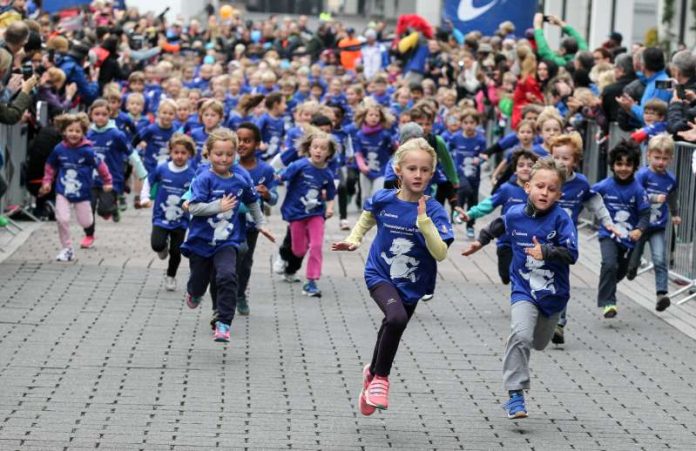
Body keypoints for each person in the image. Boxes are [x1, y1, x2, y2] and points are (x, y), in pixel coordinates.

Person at [332, 137, 453, 414]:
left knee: (393, 327)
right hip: (380, 273)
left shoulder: (434, 210)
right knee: (395, 318)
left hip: (413, 283)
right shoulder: (383, 200)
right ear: (399, 170)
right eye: (412, 168)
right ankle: (381, 380)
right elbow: (366, 220)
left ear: (432, 173)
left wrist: (424, 223)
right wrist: (353, 240)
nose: (418, 175)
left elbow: (440, 253)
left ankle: (372, 374)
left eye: (424, 170)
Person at [462, 158, 578, 419]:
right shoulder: (515, 214)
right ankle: (515, 395)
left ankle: (521, 336)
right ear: (527, 187)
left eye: (551, 189)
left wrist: (545, 251)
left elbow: (572, 253)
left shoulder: (562, 219)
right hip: (524, 289)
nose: (544, 193)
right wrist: (479, 243)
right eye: (540, 186)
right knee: (522, 335)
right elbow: (497, 225)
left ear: (559, 194)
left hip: (553, 294)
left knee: (537, 343)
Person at [181, 128, 274, 343]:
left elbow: (252, 202)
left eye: (229, 154)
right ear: (209, 154)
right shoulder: (204, 178)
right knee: (198, 282)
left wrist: (261, 224)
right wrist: (218, 206)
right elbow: (193, 208)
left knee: (227, 276)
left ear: (235, 154)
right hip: (201, 241)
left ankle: (223, 322)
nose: (224, 159)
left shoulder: (241, 179)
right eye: (218, 154)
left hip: (228, 240)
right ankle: (194, 292)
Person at [548, 132, 617, 344]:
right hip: (541, 239)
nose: (560, 162)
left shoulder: (580, 183)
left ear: (575, 161)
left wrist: (607, 221)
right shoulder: (545, 178)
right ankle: (539, 316)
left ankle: (559, 322)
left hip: (565, 243)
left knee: (560, 280)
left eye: (566, 158)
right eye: (556, 157)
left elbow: (594, 202)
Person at [38, 113, 113, 262]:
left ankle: (86, 228)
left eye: (77, 131)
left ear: (83, 133)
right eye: (70, 130)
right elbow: (50, 166)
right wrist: (47, 182)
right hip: (63, 190)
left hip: (83, 192)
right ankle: (67, 248)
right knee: (62, 218)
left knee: (86, 223)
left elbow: (100, 166)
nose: (73, 134)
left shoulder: (87, 151)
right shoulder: (59, 149)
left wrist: (107, 181)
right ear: (64, 131)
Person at [457, 149, 539, 284]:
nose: (525, 168)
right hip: (506, 241)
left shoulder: (538, 191)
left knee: (522, 278)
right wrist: (470, 214)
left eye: (530, 165)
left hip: (529, 243)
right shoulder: (507, 189)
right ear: (514, 169)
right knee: (506, 276)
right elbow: (488, 204)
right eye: (521, 165)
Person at [591, 141, 651, 318]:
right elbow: (587, 197)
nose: (623, 168)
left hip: (629, 239)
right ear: (612, 165)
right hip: (608, 234)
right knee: (608, 263)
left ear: (634, 166)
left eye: (628, 164)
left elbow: (645, 214)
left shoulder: (638, 190)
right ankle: (608, 303)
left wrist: (639, 229)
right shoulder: (604, 186)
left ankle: (607, 284)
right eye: (619, 164)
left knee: (620, 271)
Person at [279, 128, 337, 298]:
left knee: (316, 246)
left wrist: (330, 207)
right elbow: (281, 177)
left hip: (316, 214)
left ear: (329, 153)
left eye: (323, 148)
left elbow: (331, 193)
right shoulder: (299, 165)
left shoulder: (327, 173)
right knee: (298, 250)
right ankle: (286, 255)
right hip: (297, 213)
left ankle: (311, 281)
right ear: (309, 149)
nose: (318, 150)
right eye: (315, 147)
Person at [82, 99, 147, 248]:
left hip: (110, 180)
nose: (100, 117)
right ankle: (89, 235)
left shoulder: (116, 134)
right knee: (88, 208)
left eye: (104, 114)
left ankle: (111, 209)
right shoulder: (88, 133)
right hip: (90, 179)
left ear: (109, 115)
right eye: (97, 114)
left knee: (103, 209)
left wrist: (142, 172)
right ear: (91, 115)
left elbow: (131, 153)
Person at [626, 134, 681, 311]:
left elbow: (672, 197)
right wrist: (653, 198)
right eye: (657, 158)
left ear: (671, 159)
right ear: (648, 155)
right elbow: (635, 195)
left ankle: (661, 294)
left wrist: (675, 214)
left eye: (665, 159)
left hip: (658, 226)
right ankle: (631, 267)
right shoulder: (642, 175)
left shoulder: (670, 179)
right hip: (640, 225)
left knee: (659, 258)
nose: (661, 162)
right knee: (634, 255)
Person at [143, 133, 196, 291]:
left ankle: (171, 276)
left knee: (176, 251)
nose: (179, 156)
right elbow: (148, 180)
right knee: (157, 245)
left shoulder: (192, 174)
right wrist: (145, 197)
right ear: (170, 152)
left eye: (183, 153)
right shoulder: (162, 168)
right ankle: (162, 248)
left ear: (190, 154)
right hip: (160, 216)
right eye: (176, 152)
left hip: (181, 220)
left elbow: (196, 195)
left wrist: (194, 212)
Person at [235, 122, 278, 314]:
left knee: (245, 260)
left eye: (247, 140)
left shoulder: (266, 170)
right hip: (228, 222)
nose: (242, 144)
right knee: (229, 257)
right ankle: (224, 292)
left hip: (252, 224)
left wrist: (267, 194)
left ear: (257, 144)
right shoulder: (230, 165)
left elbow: (274, 199)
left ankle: (240, 294)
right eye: (239, 140)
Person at [448, 108, 486, 237]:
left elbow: (483, 155)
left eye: (472, 122)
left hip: (474, 175)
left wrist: (480, 160)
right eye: (466, 122)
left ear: (476, 124)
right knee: (464, 189)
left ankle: (470, 225)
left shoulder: (480, 139)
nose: (469, 125)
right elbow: (448, 151)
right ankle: (456, 212)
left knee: (473, 200)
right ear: (461, 123)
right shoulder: (456, 137)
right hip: (460, 172)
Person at [133, 99, 178, 207]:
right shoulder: (151, 129)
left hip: (168, 166)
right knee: (151, 189)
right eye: (164, 113)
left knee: (163, 193)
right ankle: (142, 198)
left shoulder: (175, 131)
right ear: (158, 113)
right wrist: (132, 151)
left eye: (170, 113)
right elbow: (137, 138)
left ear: (175, 116)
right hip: (151, 165)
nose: (167, 116)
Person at [353, 99, 396, 200]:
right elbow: (358, 154)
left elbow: (393, 150)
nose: (374, 117)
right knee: (365, 196)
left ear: (381, 118)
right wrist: (362, 166)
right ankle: (365, 215)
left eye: (377, 115)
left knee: (377, 195)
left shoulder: (385, 135)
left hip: (381, 171)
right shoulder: (359, 135)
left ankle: (376, 215)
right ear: (364, 117)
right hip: (365, 171)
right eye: (371, 115)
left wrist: (396, 146)